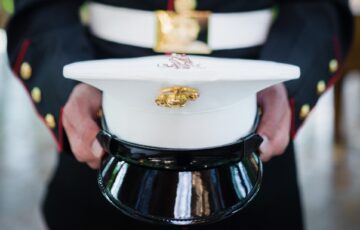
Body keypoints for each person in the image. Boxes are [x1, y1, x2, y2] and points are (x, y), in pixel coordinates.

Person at [6, 0, 352, 229]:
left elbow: (317, 8)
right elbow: (42, 7)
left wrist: (286, 86)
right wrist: (65, 84)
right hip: (105, 124)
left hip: (252, 124)